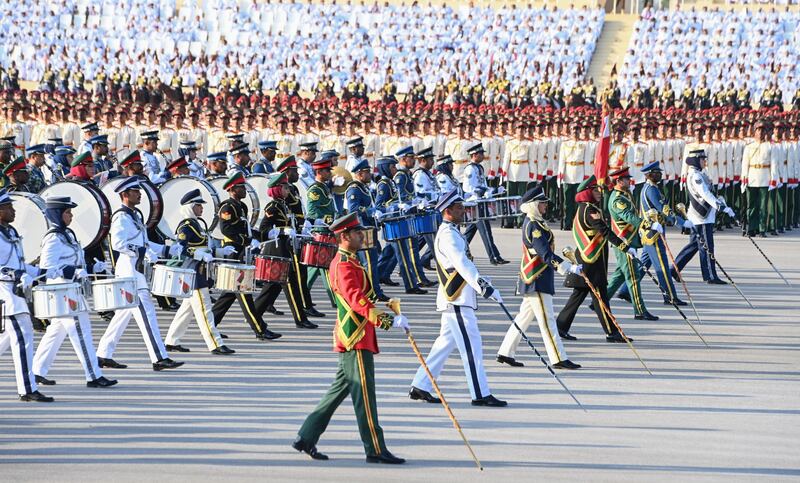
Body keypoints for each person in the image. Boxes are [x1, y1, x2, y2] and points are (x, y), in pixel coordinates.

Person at [292, 212, 407, 465]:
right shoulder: (344, 264)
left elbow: (363, 295)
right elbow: (356, 299)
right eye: (356, 233)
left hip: (354, 334)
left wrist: (388, 305)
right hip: (355, 336)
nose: (360, 236)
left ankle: (306, 436)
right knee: (365, 395)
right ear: (344, 237)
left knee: (338, 391)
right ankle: (375, 448)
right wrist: (385, 320)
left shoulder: (350, 260)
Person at [409, 189, 507, 407]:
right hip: (457, 301)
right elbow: (461, 263)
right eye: (460, 208)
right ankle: (480, 393)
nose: (464, 211)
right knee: (472, 347)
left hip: (457, 298)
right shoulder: (448, 235)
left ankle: (420, 384)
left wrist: (484, 281)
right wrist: (483, 287)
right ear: (448, 210)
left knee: (444, 344)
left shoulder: (452, 231)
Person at [95, 176, 185, 371]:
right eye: (136, 192)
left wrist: (166, 250)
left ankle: (103, 354)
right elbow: (118, 244)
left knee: (123, 315)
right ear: (125, 195)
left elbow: (143, 243)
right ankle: (159, 357)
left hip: (135, 270)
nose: (140, 194)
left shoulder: (134, 215)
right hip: (131, 271)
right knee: (147, 314)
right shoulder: (121, 217)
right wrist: (143, 253)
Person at [31, 196, 118, 388]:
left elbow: (73, 261)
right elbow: (47, 268)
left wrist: (91, 268)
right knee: (82, 332)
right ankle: (93, 375)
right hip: (63, 292)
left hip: (70, 290)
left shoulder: (66, 234)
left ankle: (36, 371)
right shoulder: (53, 237)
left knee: (55, 332)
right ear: (57, 215)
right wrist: (72, 271)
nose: (71, 215)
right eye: (67, 212)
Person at [497, 187, 582, 369]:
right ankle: (558, 358)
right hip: (537, 278)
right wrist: (568, 267)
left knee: (523, 318)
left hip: (536, 276)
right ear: (533, 205)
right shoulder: (533, 225)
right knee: (547, 320)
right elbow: (544, 253)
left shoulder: (536, 222)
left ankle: (505, 352)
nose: (545, 205)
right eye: (542, 202)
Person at [555, 176, 631, 343]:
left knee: (588, 297)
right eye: (595, 190)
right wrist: (623, 245)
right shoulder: (589, 210)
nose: (598, 192)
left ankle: (560, 327)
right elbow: (603, 230)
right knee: (599, 297)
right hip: (591, 262)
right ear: (587, 192)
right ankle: (612, 332)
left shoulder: (586, 208)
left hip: (589, 260)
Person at [164, 189, 237, 354]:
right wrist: (198, 254)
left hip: (200, 270)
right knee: (205, 309)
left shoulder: (198, 224)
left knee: (186, 309)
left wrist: (219, 252)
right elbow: (180, 250)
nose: (201, 208)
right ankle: (215, 343)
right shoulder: (186, 226)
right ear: (190, 207)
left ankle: (171, 340)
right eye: (198, 205)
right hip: (193, 271)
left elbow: (205, 249)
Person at [0, 189, 56, 402]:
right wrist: (16, 274)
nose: (13, 210)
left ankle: (28, 387)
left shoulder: (11, 232)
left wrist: (42, 272)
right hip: (7, 295)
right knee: (23, 339)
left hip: (17, 293)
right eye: (8, 207)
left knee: (9, 339)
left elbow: (20, 263)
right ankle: (27, 389)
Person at [211, 172, 279, 339]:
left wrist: (260, 236)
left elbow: (246, 229)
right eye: (241, 187)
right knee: (243, 290)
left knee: (228, 294)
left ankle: (209, 325)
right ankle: (260, 329)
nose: (245, 190)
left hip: (241, 250)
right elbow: (226, 229)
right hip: (232, 251)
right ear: (232, 189)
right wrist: (247, 241)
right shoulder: (227, 207)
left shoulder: (242, 207)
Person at [253, 172, 315, 329]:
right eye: (285, 188)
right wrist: (282, 230)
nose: (288, 190)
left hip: (284, 248)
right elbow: (264, 229)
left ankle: (254, 314)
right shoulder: (272, 207)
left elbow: (293, 220)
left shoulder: (284, 205)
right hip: (276, 250)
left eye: (287, 187)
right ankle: (300, 319)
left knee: (273, 287)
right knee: (288, 284)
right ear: (277, 190)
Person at [605, 167, 659, 321]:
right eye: (626, 179)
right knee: (633, 277)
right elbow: (629, 216)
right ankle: (639, 310)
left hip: (630, 241)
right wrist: (647, 225)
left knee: (620, 274)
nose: (630, 181)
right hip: (624, 242)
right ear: (618, 181)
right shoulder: (617, 199)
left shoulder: (624, 194)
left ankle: (600, 301)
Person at [674, 150, 734, 284]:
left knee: (694, 245)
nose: (704, 161)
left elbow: (709, 192)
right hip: (702, 217)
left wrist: (719, 200)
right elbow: (705, 194)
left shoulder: (700, 174)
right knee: (707, 247)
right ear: (696, 160)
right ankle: (710, 276)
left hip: (701, 216)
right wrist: (721, 207)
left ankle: (674, 269)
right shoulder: (696, 176)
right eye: (702, 159)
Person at [345, 159, 388, 301]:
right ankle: (372, 292)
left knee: (372, 262)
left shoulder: (364, 187)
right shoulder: (354, 189)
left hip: (369, 228)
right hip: (363, 229)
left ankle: (375, 290)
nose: (370, 174)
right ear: (359, 174)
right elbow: (353, 209)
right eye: (367, 172)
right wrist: (370, 211)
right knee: (369, 263)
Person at [462, 143, 507, 265]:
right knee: (486, 232)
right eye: (481, 154)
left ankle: (460, 250)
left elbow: (483, 185)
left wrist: (494, 191)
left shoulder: (479, 168)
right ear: (474, 155)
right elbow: (469, 188)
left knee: (469, 233)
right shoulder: (470, 169)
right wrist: (485, 192)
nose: (483, 156)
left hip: (481, 202)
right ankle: (494, 257)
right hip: (475, 204)